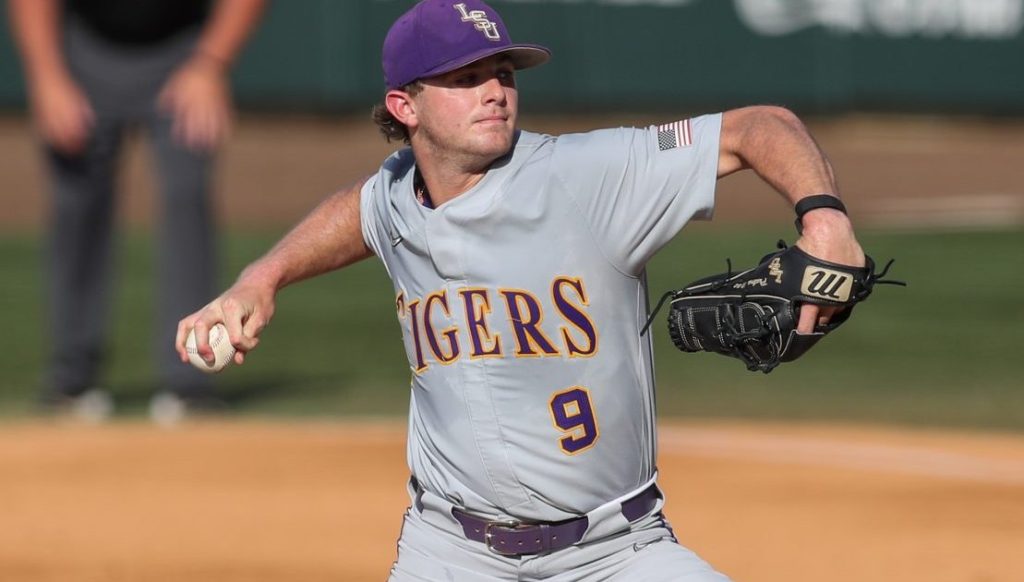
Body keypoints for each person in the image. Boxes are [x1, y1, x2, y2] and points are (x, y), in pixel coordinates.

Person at [177, 1, 865, 579]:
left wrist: (824, 217)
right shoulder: (395, 195)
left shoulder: (587, 176)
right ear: (403, 105)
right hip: (447, 551)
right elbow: (354, 212)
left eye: (502, 73)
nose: (495, 91)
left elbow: (758, 127)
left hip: (614, 552)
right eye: (465, 77)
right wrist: (260, 279)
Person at [7, 0, 267, 424]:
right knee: (77, 203)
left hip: (183, 46)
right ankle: (70, 381)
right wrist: (47, 76)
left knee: (187, 197)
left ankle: (192, 382)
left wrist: (210, 63)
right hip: (85, 49)